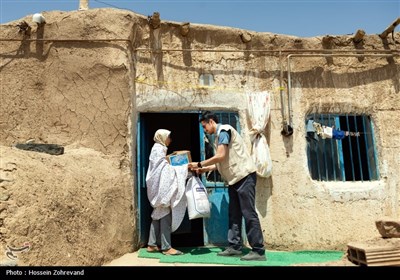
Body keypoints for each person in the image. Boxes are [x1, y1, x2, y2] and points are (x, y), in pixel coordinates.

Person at [188, 111, 266, 261]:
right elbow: (220, 163)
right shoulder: (219, 138)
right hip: (235, 180)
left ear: (211, 122)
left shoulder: (224, 130)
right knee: (234, 214)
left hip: (244, 177)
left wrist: (199, 163)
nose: (205, 130)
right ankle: (234, 246)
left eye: (205, 127)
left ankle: (258, 250)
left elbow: (221, 156)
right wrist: (204, 169)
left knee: (248, 213)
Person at [146, 129, 188, 255]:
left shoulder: (159, 149)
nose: (170, 140)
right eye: (169, 137)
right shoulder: (159, 149)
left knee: (157, 214)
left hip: (158, 187)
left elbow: (161, 167)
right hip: (160, 188)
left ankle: (152, 244)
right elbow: (163, 170)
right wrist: (183, 167)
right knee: (165, 215)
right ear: (162, 138)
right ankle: (166, 247)